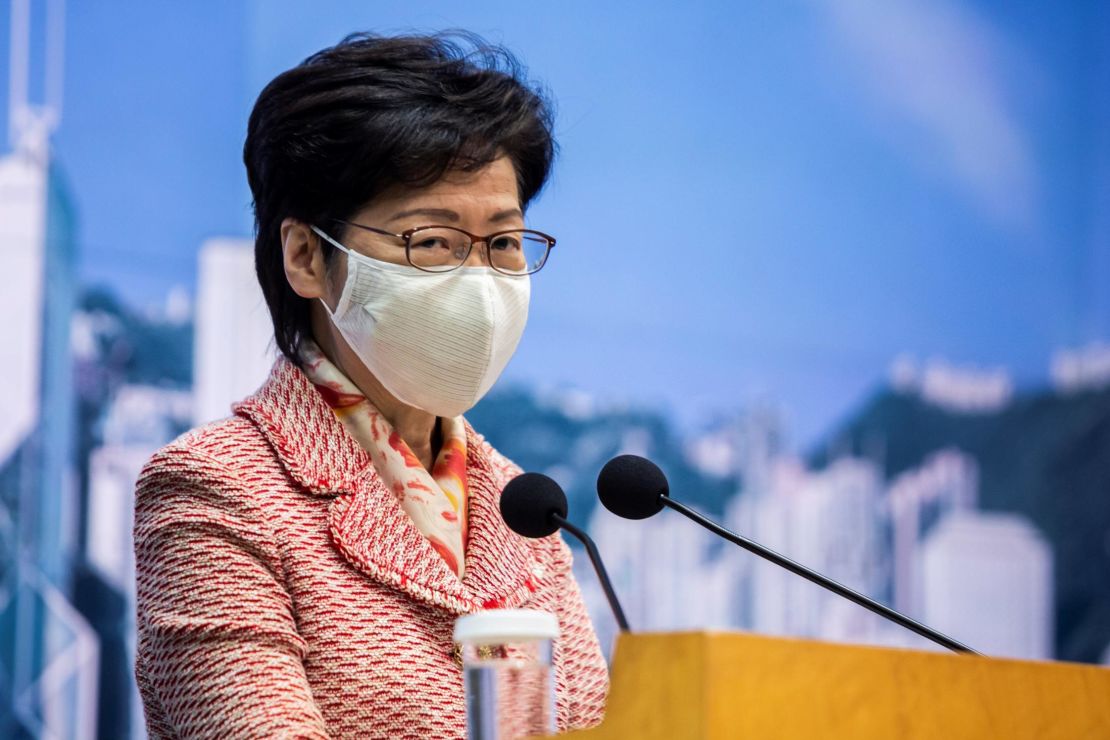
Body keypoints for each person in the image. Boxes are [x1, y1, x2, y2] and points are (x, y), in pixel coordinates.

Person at [133, 32, 609, 739]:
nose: (479, 282)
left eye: (504, 242)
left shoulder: (525, 511)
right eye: (432, 240)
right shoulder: (214, 493)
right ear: (306, 258)